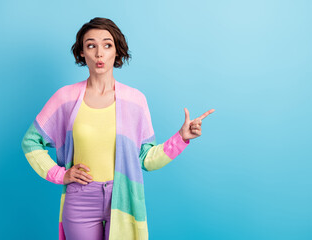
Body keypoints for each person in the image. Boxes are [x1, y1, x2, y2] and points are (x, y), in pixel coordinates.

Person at [21, 17, 215, 240]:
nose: (99, 53)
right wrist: (61, 174)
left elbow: (146, 159)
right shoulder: (65, 98)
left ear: (117, 51)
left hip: (123, 196)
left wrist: (181, 138)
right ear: (82, 52)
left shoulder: (135, 100)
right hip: (81, 198)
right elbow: (30, 142)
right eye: (91, 45)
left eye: (107, 45)